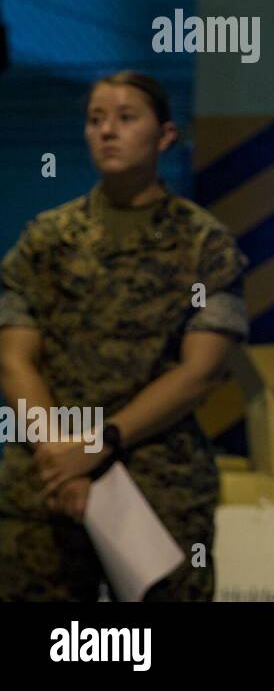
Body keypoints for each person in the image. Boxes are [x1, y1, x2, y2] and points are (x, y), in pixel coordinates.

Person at [0, 71, 250, 600]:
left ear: (164, 136)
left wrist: (97, 445)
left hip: (157, 480)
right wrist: (60, 458)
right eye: (95, 120)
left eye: (125, 118)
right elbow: (14, 359)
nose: (107, 131)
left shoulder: (204, 245)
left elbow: (200, 371)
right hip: (43, 483)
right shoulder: (45, 240)